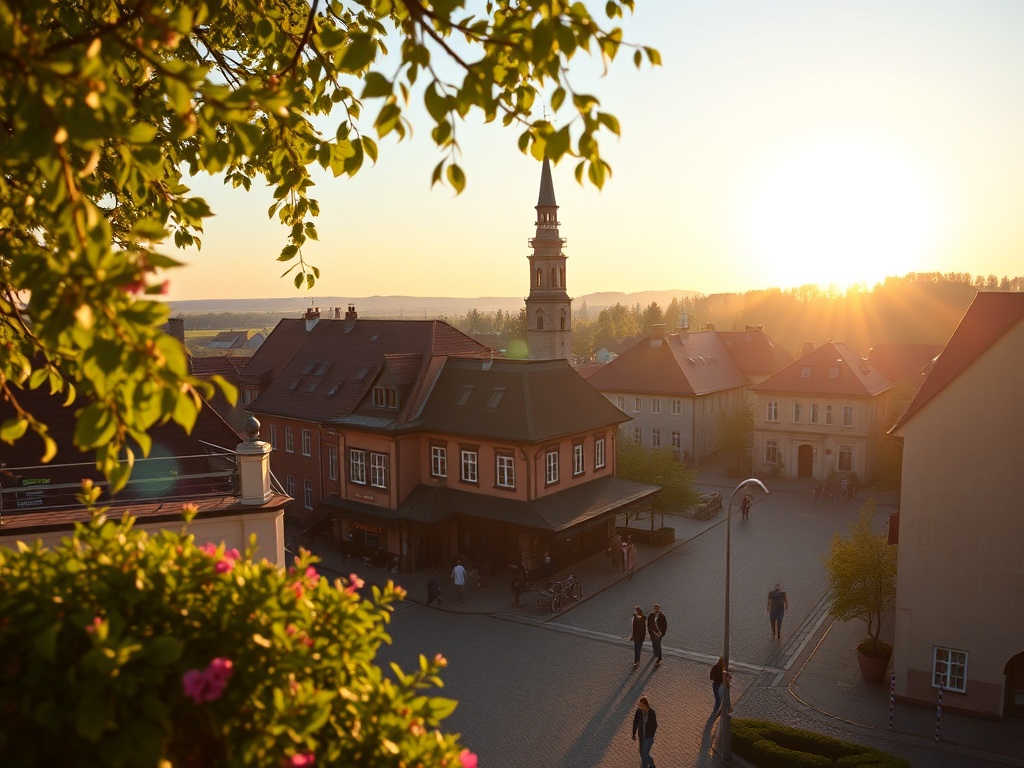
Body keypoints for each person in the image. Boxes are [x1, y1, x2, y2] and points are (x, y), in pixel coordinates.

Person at [631, 695, 658, 768]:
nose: (640, 707)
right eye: (640, 705)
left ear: (646, 705)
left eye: (642, 705)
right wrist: (634, 733)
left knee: (644, 754)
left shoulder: (652, 713)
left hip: (648, 738)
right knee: (642, 753)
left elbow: (655, 725)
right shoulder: (638, 712)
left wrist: (651, 735)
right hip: (641, 736)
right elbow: (635, 722)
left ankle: (651, 763)